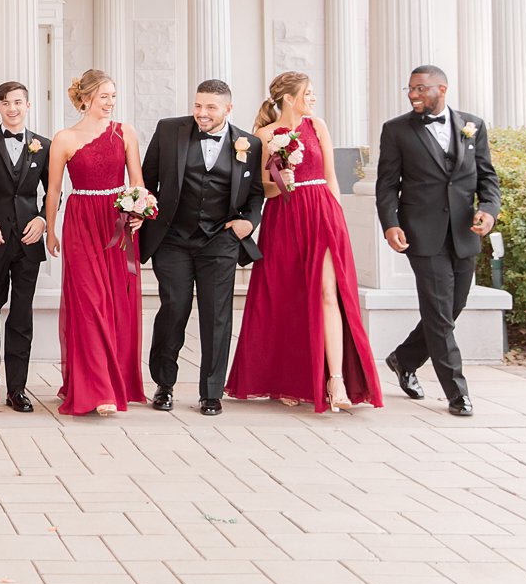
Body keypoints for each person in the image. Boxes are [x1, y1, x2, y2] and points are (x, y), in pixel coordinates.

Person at [227, 71, 384, 413]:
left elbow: (331, 178)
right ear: (289, 98)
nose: (313, 99)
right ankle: (291, 378)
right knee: (289, 297)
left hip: (323, 215)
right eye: (308, 93)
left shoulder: (318, 126)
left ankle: (336, 380)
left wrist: (339, 224)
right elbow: (262, 189)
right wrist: (281, 180)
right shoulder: (263, 136)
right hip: (284, 217)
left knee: (329, 293)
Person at [376, 65, 500, 417]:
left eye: (420, 89)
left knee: (451, 308)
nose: (413, 94)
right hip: (421, 233)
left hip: (463, 234)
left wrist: (488, 211)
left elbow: (487, 178)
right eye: (410, 89)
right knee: (439, 314)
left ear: (441, 89)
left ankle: (404, 358)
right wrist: (390, 224)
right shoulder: (396, 130)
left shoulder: (472, 125)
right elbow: (387, 185)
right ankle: (457, 392)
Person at [139, 79, 265, 416]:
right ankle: (164, 385)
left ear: (228, 108)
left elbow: (256, 193)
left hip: (220, 240)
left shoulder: (249, 144)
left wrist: (248, 222)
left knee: (217, 316)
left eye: (210, 107)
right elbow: (147, 179)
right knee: (174, 308)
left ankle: (211, 392)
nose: (201, 113)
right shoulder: (169, 131)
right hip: (173, 238)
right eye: (198, 105)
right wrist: (142, 210)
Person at [45, 69, 147, 416]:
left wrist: (138, 213)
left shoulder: (125, 133)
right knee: (89, 301)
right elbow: (55, 189)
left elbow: (137, 182)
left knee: (116, 302)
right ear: (86, 98)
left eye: (114, 96)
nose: (110, 103)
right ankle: (97, 388)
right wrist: (51, 229)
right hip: (81, 222)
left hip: (116, 221)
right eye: (104, 96)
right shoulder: (64, 138)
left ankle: (114, 379)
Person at [0, 81, 50, 413]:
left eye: (18, 102)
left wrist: (44, 221)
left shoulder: (44, 146)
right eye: (6, 103)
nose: (13, 108)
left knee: (21, 315)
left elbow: (54, 191)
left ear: (28, 105)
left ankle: (17, 388)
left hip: (28, 243)